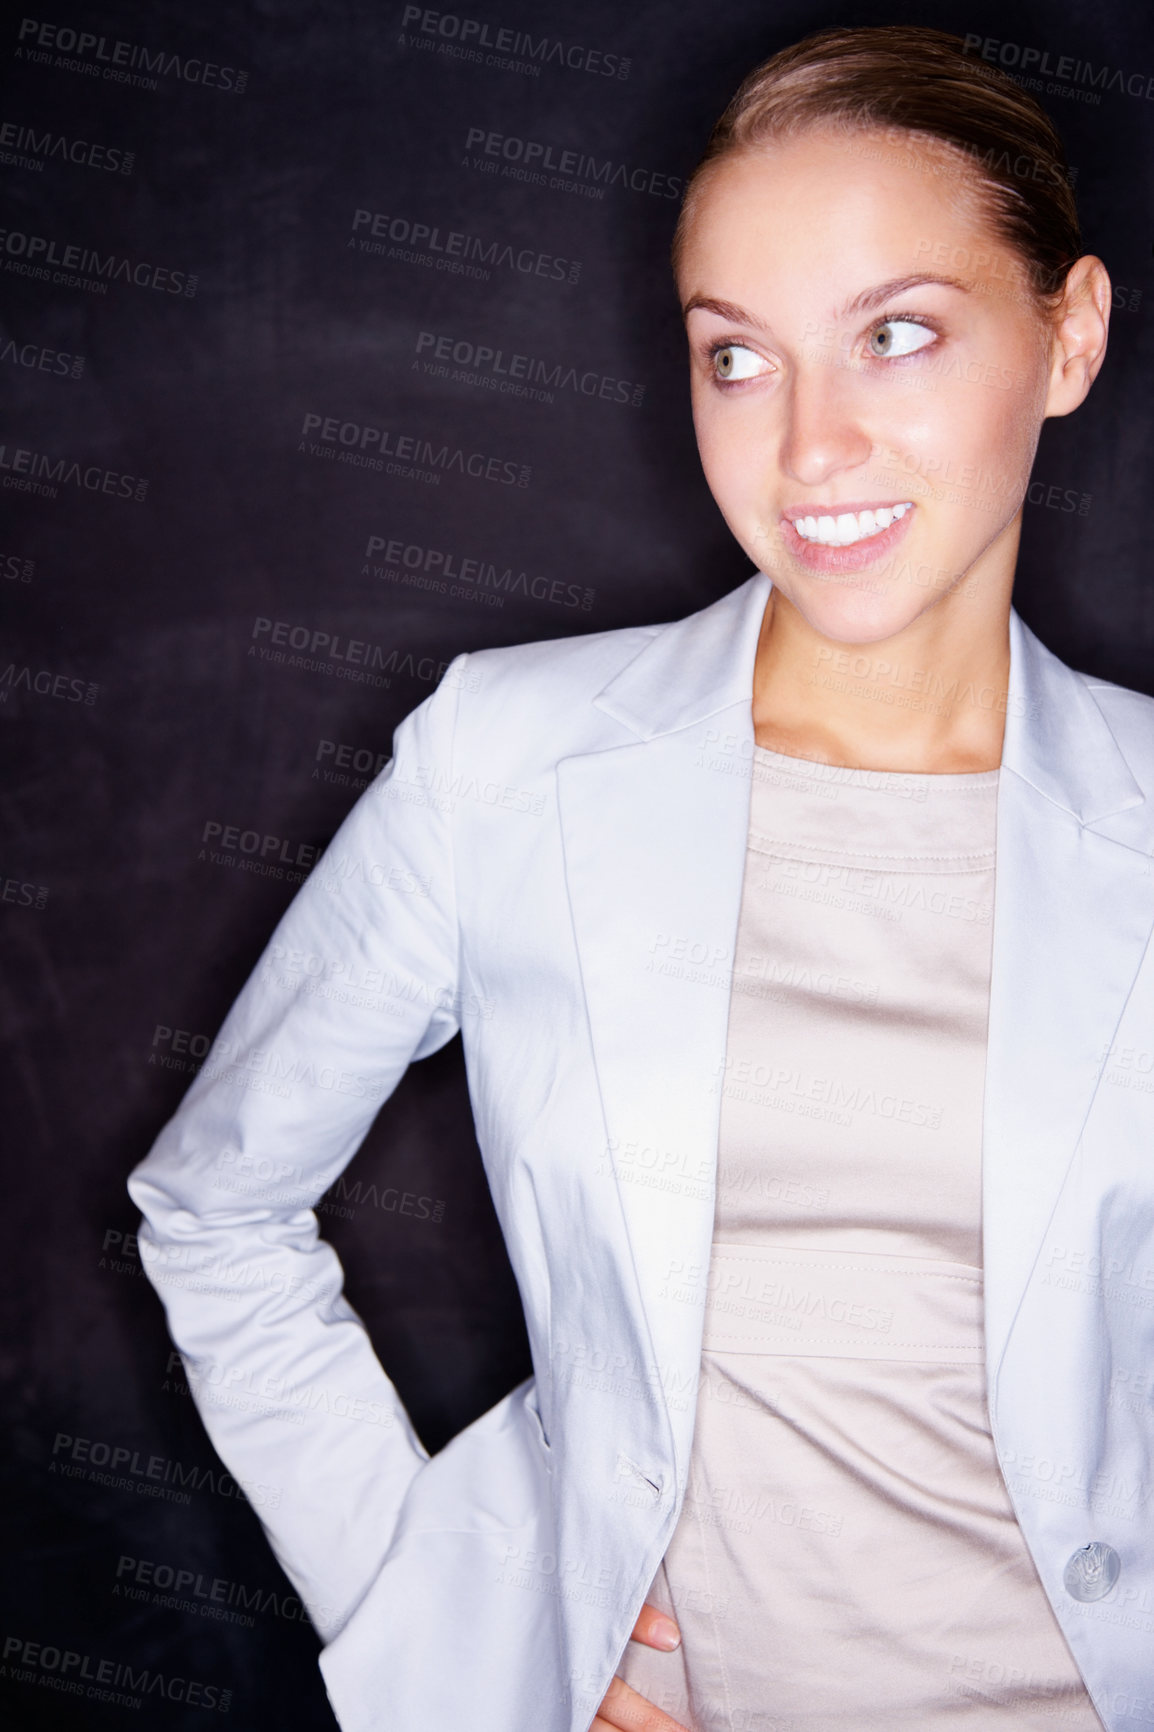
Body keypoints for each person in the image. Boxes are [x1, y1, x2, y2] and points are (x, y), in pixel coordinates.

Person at [127, 24, 1149, 1732]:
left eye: (894, 335)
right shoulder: (509, 763)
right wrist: (454, 1623)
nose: (809, 447)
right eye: (735, 359)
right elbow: (214, 1207)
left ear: (1067, 337)